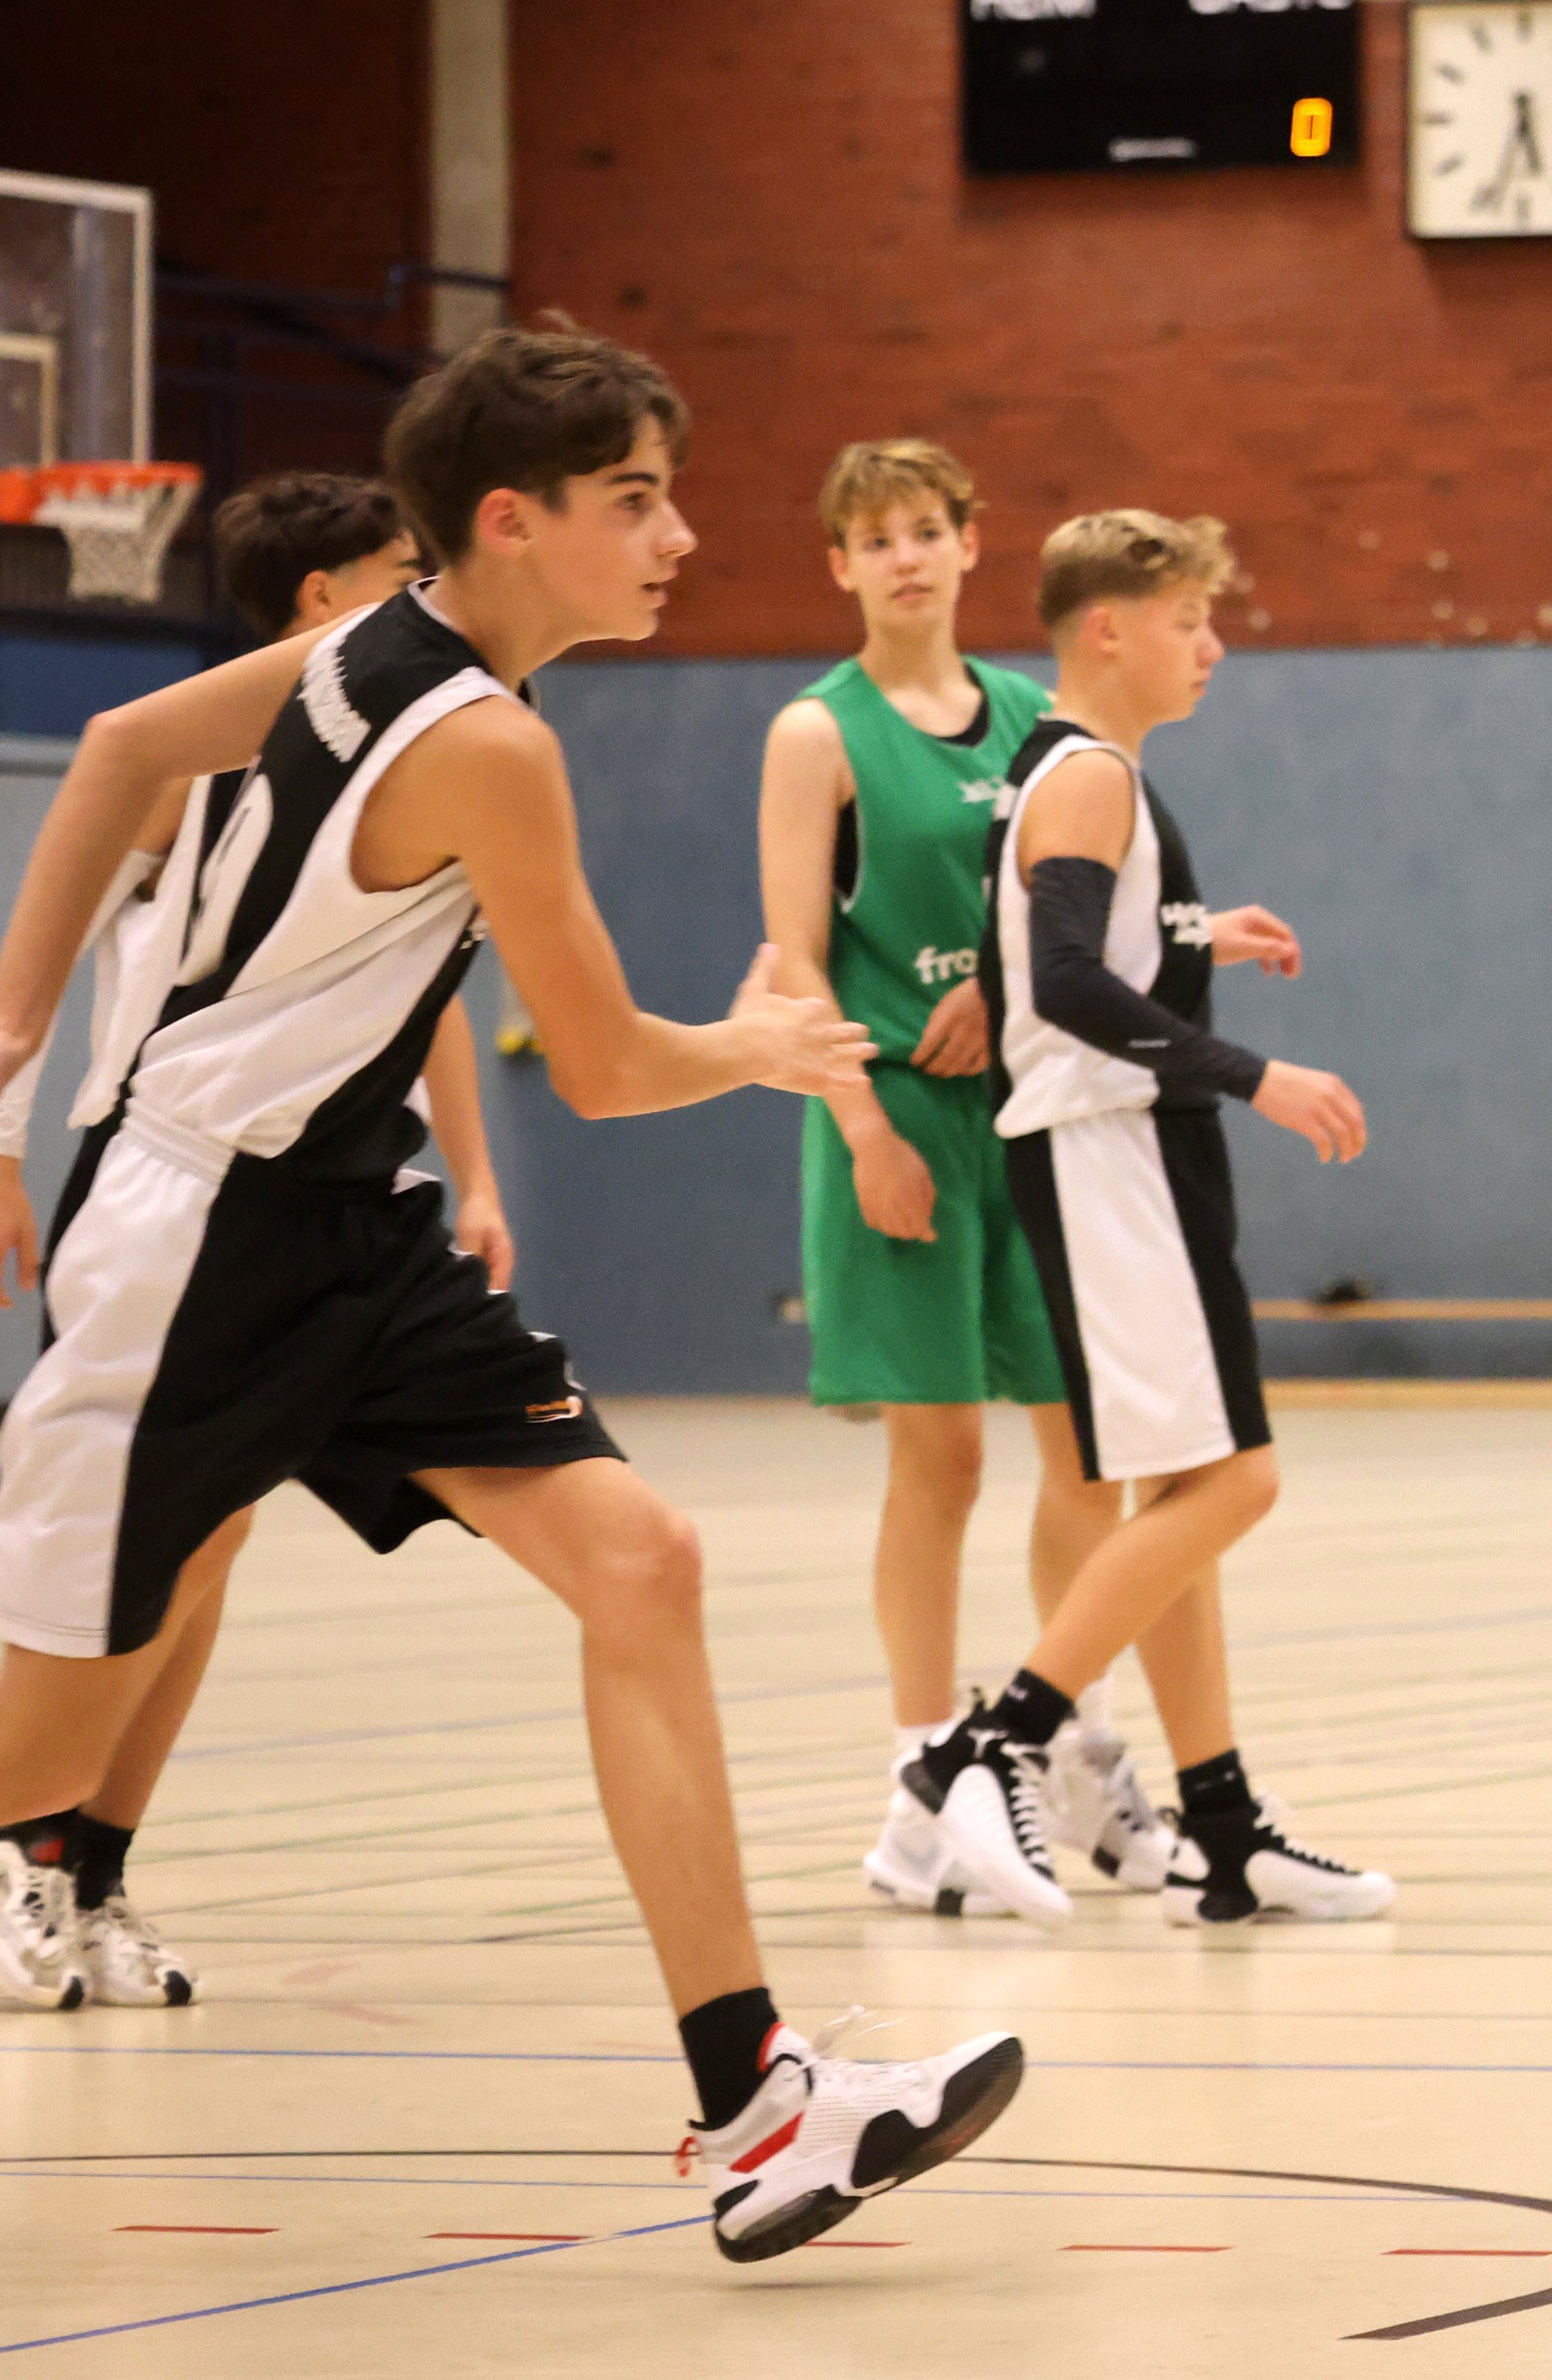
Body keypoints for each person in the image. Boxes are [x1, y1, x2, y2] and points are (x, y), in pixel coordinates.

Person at [0, 324, 1018, 2258]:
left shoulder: (378, 658)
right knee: (35, 1763)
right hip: (200, 1250)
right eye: (636, 499)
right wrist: (767, 1043)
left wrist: (13, 1036)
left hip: (348, 1228)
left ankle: (760, 2105)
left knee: (642, 1561)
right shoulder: (484, 740)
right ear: (512, 519)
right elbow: (610, 1065)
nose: (679, 536)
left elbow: (126, 744)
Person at [0, 473, 512, 2013]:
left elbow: (430, 1008)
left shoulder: (407, 754)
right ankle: (28, 1857)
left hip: (296, 1201)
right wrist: (4, 1141)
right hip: (157, 1184)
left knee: (210, 1549)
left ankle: (91, 1869)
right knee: (115, 1555)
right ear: (321, 598)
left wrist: (476, 1177)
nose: (426, 594)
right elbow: (44, 950)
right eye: (399, 571)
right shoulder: (191, 756)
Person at [903, 506, 1392, 1932]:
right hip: (1114, 1155)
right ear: (1107, 629)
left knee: (1189, 1490)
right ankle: (988, 1744)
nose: (1213, 645)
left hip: (1119, 1153)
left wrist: (1187, 935)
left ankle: (1224, 1831)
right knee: (1238, 1483)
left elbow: (1066, 950)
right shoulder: (1087, 776)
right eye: (1190, 620)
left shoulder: (1079, 774)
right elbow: (1059, 981)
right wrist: (1257, 1072)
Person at [755, 440, 1163, 1919]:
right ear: (841, 565)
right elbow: (793, 957)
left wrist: (1005, 983)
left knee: (1092, 1453)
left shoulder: (1034, 719)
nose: (907, 556)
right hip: (896, 1114)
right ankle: (923, 1774)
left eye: (927, 529)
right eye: (877, 538)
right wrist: (861, 1127)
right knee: (942, 1460)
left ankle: (1062, 1743)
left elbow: (1054, 916)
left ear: (971, 543)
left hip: (1031, 1111)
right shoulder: (817, 732)